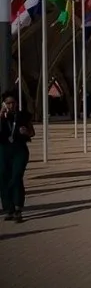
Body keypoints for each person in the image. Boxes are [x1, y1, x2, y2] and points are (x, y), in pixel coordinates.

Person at [0, 91, 35, 223]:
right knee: (3, 176)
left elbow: (32, 133)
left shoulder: (23, 116)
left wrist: (27, 132)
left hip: (19, 150)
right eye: (8, 103)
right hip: (3, 150)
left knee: (16, 176)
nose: (10, 105)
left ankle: (18, 208)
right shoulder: (1, 117)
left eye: (13, 103)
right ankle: (9, 208)